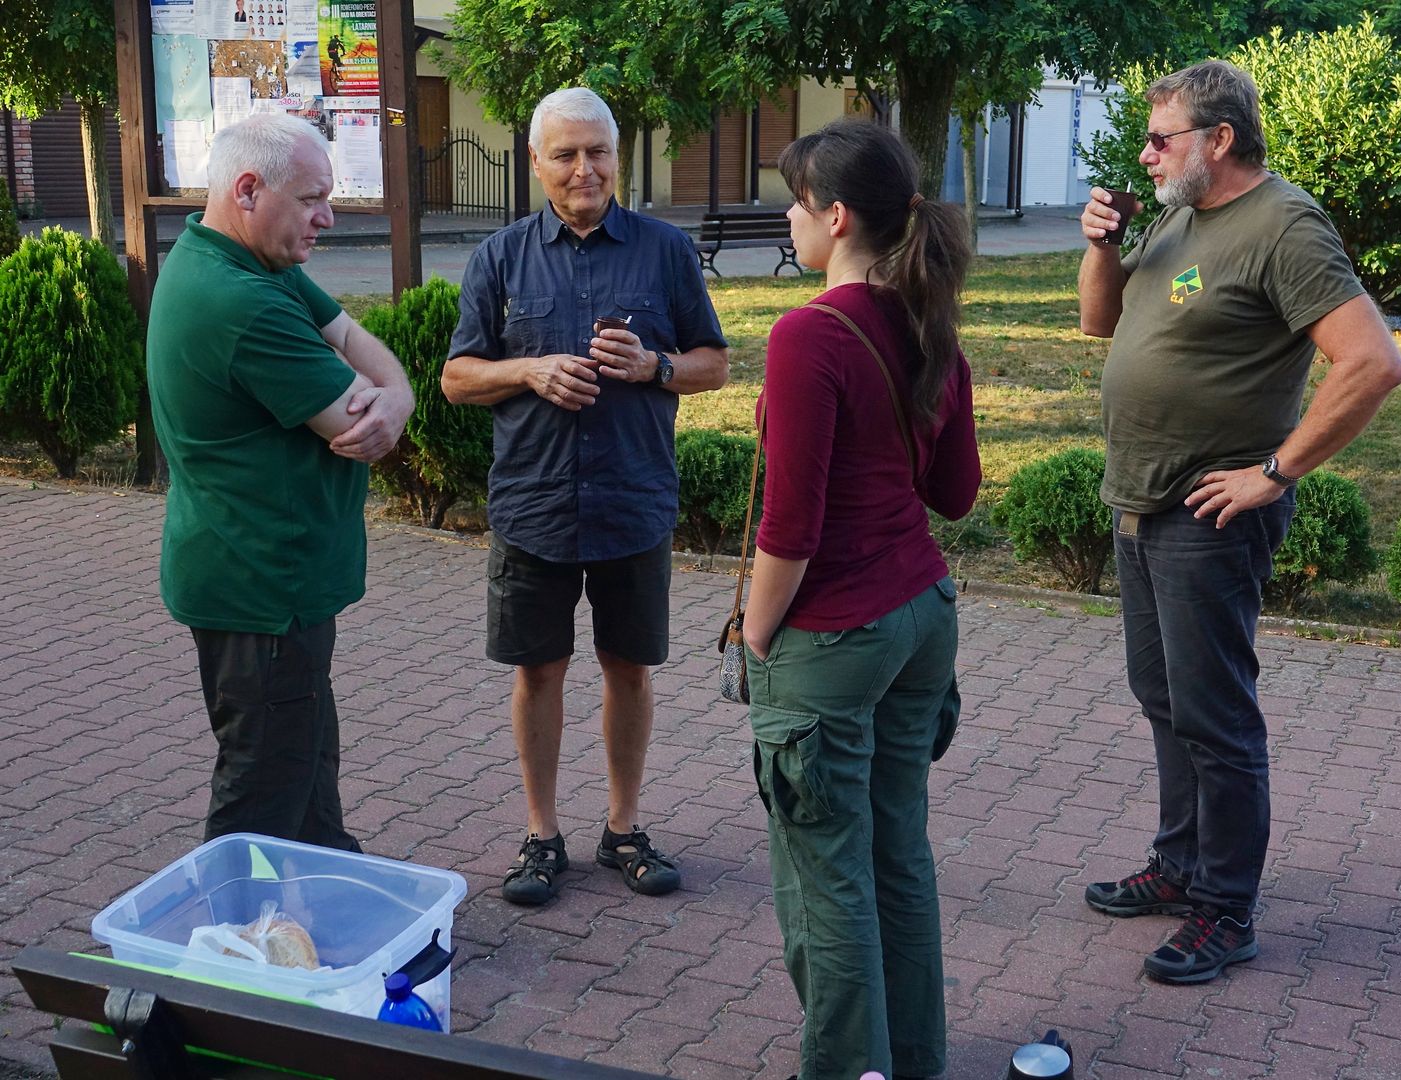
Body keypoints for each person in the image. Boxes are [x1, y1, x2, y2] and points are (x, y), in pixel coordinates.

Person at [1077, 60, 1401, 984]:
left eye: (1161, 138)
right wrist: (1102, 245)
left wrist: (1275, 472)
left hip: (1206, 514)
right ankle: (1181, 867)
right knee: (1164, 699)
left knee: (1216, 719)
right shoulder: (1182, 213)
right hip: (1137, 499)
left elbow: (1374, 363)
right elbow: (1101, 326)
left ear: (1218, 140)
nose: (1145, 155)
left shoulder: (1284, 227)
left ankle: (1227, 908)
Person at [442, 87, 728, 906]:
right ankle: (541, 835)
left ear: (618, 157)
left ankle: (624, 828)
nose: (583, 169)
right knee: (538, 671)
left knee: (630, 668)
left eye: (597, 151)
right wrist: (528, 370)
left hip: (633, 500)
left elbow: (715, 362)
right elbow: (459, 377)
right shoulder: (499, 258)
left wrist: (655, 367)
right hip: (532, 503)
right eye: (564, 154)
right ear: (536, 164)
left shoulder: (665, 252)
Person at [743, 118, 982, 1080]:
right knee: (896, 854)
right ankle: (912, 1058)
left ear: (835, 217)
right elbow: (956, 495)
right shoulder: (929, 322)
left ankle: (849, 1068)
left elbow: (789, 529)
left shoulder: (809, 334)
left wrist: (756, 639)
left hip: (835, 631)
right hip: (922, 615)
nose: (788, 220)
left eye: (796, 203)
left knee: (825, 878)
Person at [147, 112, 414, 849]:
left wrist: (400, 394)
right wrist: (389, 398)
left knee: (302, 761)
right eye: (312, 199)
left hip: (265, 582)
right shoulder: (243, 302)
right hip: (260, 587)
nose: (326, 217)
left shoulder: (239, 262)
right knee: (261, 790)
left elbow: (362, 350)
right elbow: (352, 419)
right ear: (247, 189)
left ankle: (334, 889)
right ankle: (225, 950)